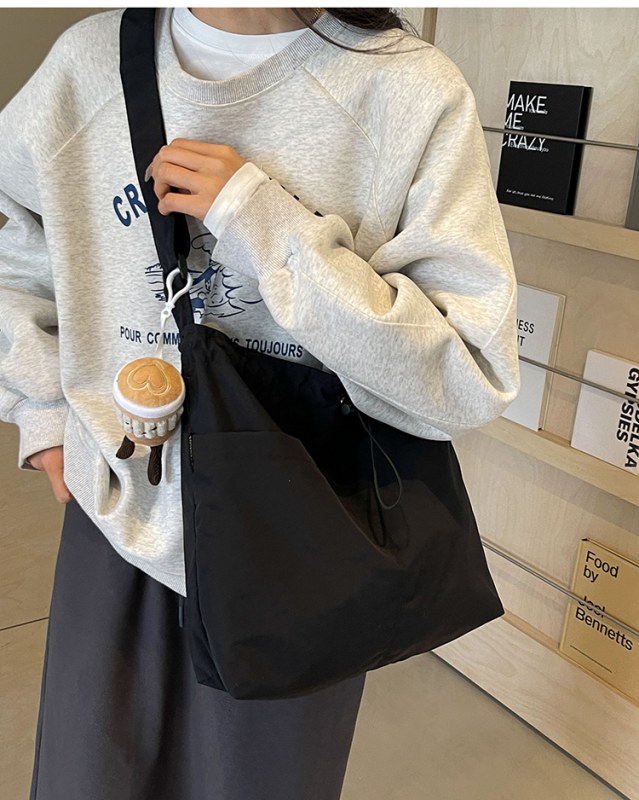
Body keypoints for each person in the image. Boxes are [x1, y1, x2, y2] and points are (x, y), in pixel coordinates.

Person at [0, 7, 520, 799]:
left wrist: (260, 222)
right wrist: (40, 408)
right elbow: (12, 236)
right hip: (119, 509)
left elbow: (466, 372)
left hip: (304, 533)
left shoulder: (407, 89)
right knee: (89, 775)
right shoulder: (89, 63)